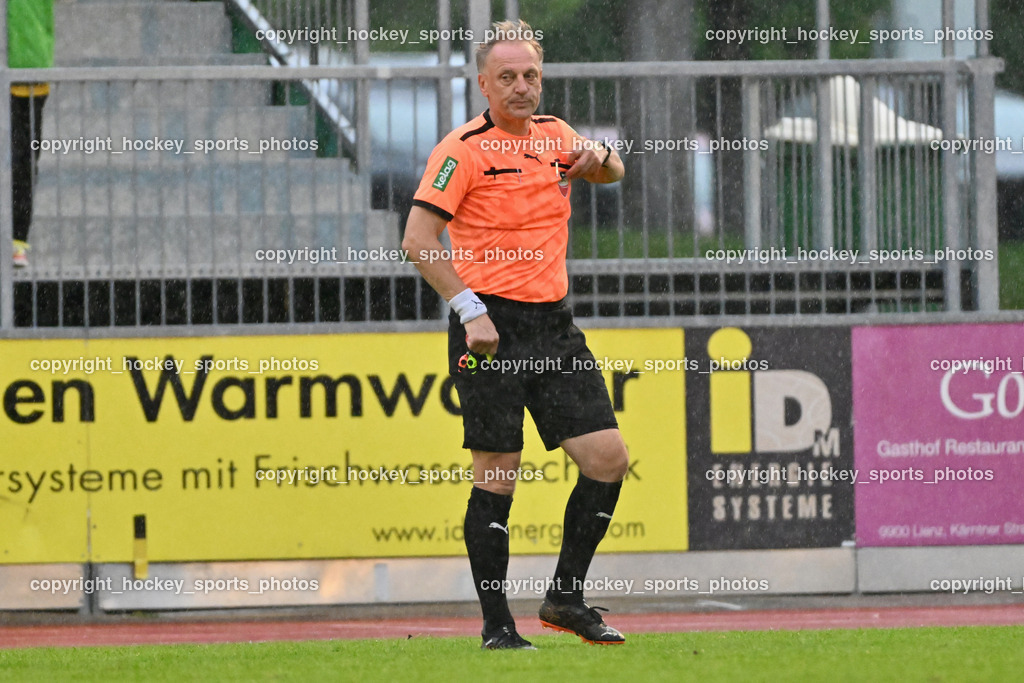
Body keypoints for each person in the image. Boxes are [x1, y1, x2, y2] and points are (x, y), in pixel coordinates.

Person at [403, 19, 629, 650]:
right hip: (490, 329)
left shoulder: (557, 137)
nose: (522, 87)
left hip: (553, 327)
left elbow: (611, 171)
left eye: (530, 75)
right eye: (507, 77)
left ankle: (564, 598)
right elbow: (418, 241)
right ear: (483, 83)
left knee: (608, 459)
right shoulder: (462, 149)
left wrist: (600, 159)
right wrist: (469, 309)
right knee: (498, 472)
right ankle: (497, 626)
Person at [8, 0, 54, 267]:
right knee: (24, 159)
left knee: (24, 159)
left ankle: (18, 240)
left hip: (28, 67)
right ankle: (18, 240)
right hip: (29, 64)